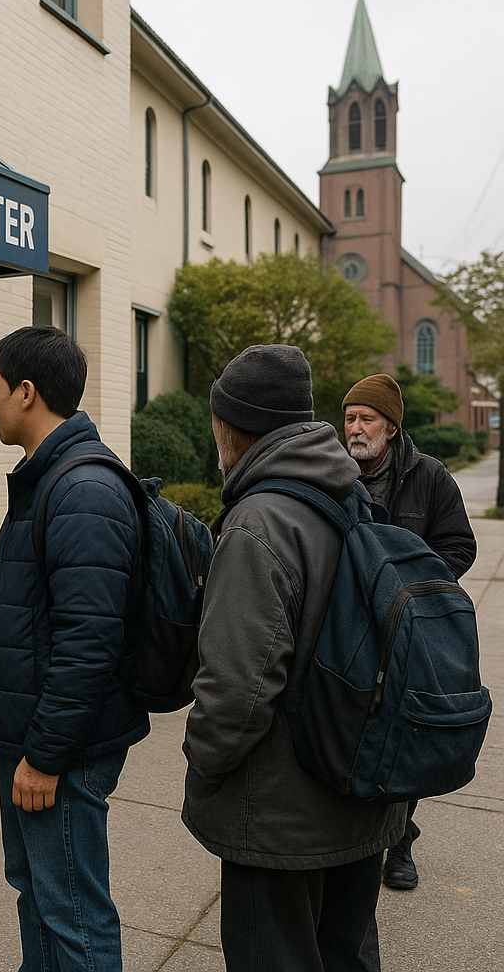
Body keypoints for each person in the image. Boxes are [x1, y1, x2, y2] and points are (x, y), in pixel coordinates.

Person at [183, 345, 407, 972]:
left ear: (235, 426)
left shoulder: (259, 523)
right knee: (348, 957)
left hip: (281, 818)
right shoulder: (349, 495)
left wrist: (204, 760)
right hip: (359, 795)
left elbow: (236, 690)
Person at [0, 326, 150, 972]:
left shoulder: (81, 490)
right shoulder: (48, 478)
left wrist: (44, 756)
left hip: (60, 751)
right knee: (42, 896)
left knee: (73, 914)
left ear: (26, 391)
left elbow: (89, 642)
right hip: (34, 739)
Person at [342, 372, 477, 890]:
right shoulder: (332, 472)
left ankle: (399, 842)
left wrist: (413, 590)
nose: (355, 428)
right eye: (350, 417)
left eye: (366, 418)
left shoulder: (430, 476)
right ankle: (359, 831)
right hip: (351, 625)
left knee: (404, 728)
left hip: (410, 629)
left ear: (391, 427)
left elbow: (460, 546)